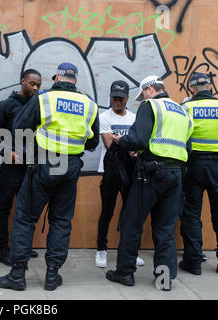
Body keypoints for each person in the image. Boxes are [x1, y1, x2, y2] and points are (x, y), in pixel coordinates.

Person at [0, 62, 99, 291]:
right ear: (76, 81)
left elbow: (20, 126)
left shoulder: (44, 99)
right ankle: (52, 275)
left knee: (25, 217)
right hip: (70, 167)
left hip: (44, 162)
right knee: (61, 221)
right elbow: (92, 142)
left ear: (56, 78)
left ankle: (17, 275)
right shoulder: (89, 104)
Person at [106, 75, 193, 291]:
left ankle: (125, 273)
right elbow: (186, 146)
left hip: (151, 174)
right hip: (176, 175)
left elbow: (139, 139)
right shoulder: (183, 111)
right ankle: (164, 280)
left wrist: (121, 141)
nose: (142, 97)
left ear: (149, 90)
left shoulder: (150, 106)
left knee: (132, 222)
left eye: (143, 94)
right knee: (165, 228)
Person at [179, 73, 218, 275]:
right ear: (210, 86)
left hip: (193, 166)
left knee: (191, 214)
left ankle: (193, 262)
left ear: (192, 89)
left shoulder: (186, 108)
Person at [0, 69, 42, 266]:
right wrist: (6, 152)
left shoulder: (38, 105)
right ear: (23, 82)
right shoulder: (7, 105)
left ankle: (22, 247)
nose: (36, 88)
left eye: (38, 85)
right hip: (11, 168)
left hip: (31, 167)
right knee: (5, 207)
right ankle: (3, 250)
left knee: (26, 209)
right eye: (32, 84)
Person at [95, 80, 144, 268]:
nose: (117, 102)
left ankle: (129, 252)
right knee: (107, 211)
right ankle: (101, 250)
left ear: (127, 99)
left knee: (130, 213)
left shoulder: (133, 117)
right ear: (110, 98)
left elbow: (137, 146)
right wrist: (129, 142)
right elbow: (109, 144)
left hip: (130, 171)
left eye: (121, 99)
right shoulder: (104, 116)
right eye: (114, 98)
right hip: (110, 171)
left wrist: (122, 141)